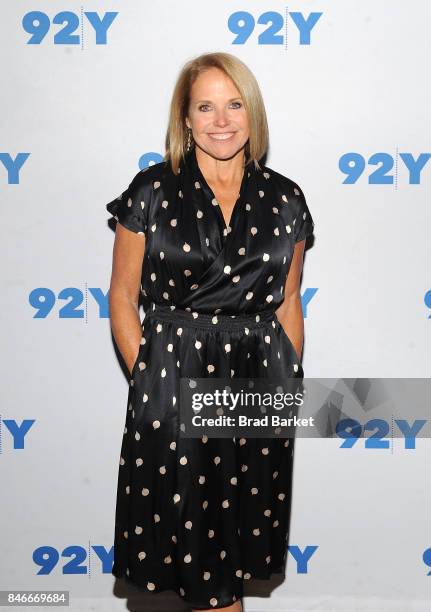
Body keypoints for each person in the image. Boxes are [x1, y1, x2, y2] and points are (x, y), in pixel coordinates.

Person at [106, 51, 315, 612]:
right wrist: (148, 377)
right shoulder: (152, 190)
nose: (221, 120)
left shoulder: (286, 198)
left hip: (256, 382)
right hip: (174, 379)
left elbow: (289, 298)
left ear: (253, 114)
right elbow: (123, 296)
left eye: (234, 104)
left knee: (227, 558)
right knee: (196, 558)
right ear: (185, 119)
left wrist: (286, 382)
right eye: (205, 106)